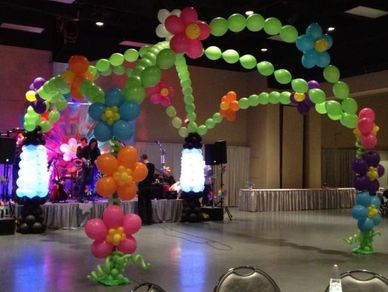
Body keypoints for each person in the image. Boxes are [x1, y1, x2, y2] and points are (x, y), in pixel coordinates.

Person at [77, 138, 100, 202]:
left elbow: (98, 157)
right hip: (85, 167)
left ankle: (90, 196)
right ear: (90, 143)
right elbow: (81, 155)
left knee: (91, 182)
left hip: (92, 167)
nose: (93, 145)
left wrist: (96, 161)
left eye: (95, 144)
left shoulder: (97, 150)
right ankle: (80, 197)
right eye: (93, 143)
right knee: (83, 181)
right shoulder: (86, 148)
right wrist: (85, 160)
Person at [138, 154, 155, 225]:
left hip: (142, 186)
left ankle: (143, 220)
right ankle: (149, 220)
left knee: (141, 204)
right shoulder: (152, 166)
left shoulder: (142, 166)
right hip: (150, 186)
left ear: (142, 158)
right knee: (148, 203)